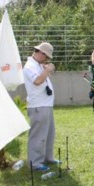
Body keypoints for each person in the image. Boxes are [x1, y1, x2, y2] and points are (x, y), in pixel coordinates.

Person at [23, 42, 59, 172]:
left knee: (49, 133)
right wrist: (47, 70)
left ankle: (48, 157)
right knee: (38, 135)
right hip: (38, 105)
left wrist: (46, 70)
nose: (47, 59)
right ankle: (35, 163)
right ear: (41, 53)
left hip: (45, 104)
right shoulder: (29, 66)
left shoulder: (37, 65)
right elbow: (37, 81)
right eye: (46, 56)